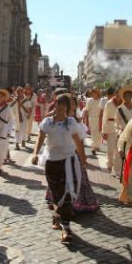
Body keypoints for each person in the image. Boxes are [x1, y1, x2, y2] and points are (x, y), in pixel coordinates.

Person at [32, 94, 87, 243]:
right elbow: (41, 137)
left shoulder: (71, 123)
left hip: (69, 161)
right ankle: (58, 214)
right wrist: (35, 153)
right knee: (57, 194)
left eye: (65, 104)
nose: (61, 106)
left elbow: (78, 141)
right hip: (52, 162)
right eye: (59, 103)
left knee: (68, 194)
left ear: (68, 107)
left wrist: (83, 158)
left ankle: (66, 228)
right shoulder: (47, 122)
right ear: (54, 105)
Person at [114, 86, 132, 179]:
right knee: (119, 152)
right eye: (126, 95)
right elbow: (116, 122)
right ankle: (118, 172)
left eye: (130, 96)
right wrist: (118, 131)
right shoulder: (119, 108)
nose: (128, 97)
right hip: (122, 132)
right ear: (123, 97)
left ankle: (129, 171)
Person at [0, 89, 15, 176]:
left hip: (3, 131)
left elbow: (11, 120)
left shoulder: (8, 108)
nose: (0, 97)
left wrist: (9, 131)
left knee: (0, 148)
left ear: (5, 97)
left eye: (1, 96)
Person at [101, 87, 121, 175]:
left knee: (118, 149)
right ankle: (109, 164)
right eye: (117, 93)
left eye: (120, 94)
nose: (118, 96)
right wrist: (104, 130)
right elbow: (104, 117)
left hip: (120, 128)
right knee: (110, 149)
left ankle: (117, 169)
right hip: (110, 127)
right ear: (115, 94)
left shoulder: (124, 104)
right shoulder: (109, 103)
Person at [81, 88, 103, 157]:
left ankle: (97, 146)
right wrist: (84, 120)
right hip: (92, 119)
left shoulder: (101, 101)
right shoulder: (90, 101)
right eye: (92, 93)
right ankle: (93, 147)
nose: (93, 94)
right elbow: (86, 111)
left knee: (99, 134)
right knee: (93, 133)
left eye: (94, 93)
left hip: (100, 119)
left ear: (97, 93)